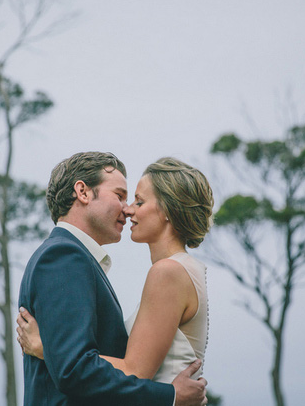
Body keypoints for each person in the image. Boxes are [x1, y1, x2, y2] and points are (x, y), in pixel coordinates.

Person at [18, 154, 213, 404]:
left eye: (137, 201)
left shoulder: (168, 271)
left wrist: (49, 349)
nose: (128, 208)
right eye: (120, 196)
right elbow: (75, 366)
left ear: (167, 210)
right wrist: (171, 396)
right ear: (83, 192)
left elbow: (125, 368)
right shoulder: (63, 256)